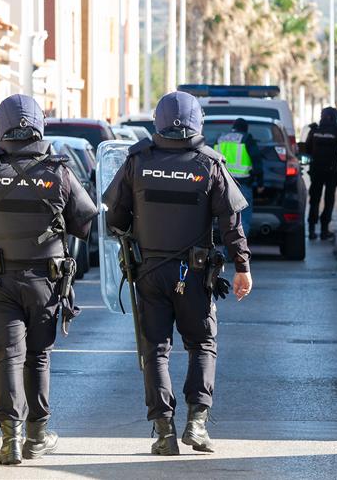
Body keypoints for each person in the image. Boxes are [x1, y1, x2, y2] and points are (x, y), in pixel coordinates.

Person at [0, 94, 98, 465]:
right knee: (38, 358)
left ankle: (10, 441)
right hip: (45, 284)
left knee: (6, 359)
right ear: (39, 124)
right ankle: (36, 436)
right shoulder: (60, 170)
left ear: (1, 127)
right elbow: (85, 221)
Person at [103, 91, 253, 456]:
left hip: (149, 272)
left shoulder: (138, 161)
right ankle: (197, 424)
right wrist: (242, 267)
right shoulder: (209, 163)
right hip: (194, 272)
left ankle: (164, 431)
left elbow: (114, 219)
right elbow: (231, 223)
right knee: (202, 344)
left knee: (154, 349)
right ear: (197, 122)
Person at [304, 107, 337, 240]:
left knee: (314, 200)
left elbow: (307, 150)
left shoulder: (314, 130)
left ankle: (312, 230)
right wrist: (336, 155)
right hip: (331, 171)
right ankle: (324, 230)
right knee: (329, 200)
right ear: (333, 117)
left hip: (316, 171)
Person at [214, 118, 261, 235]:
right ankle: (239, 250)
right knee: (243, 219)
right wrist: (260, 183)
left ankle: (228, 251)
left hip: (223, 186)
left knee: (227, 220)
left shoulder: (220, 138)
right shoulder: (246, 138)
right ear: (245, 129)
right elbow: (257, 161)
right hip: (242, 185)